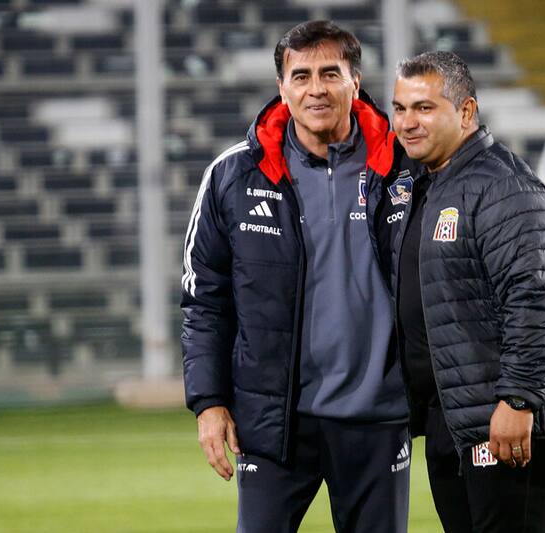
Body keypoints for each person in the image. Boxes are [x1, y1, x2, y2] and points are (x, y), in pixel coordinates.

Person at [180, 21, 416, 533]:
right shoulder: (232, 177)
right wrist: (209, 402)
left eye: (330, 73)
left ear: (355, 82)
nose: (316, 89)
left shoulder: (406, 167)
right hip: (275, 422)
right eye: (301, 75)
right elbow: (204, 302)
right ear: (282, 89)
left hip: (378, 416)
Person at [380, 50, 545, 533]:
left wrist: (518, 401)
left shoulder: (503, 185)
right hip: (455, 412)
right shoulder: (427, 184)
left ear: (466, 112)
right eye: (400, 108)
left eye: (424, 108)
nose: (407, 122)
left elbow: (537, 298)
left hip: (505, 414)